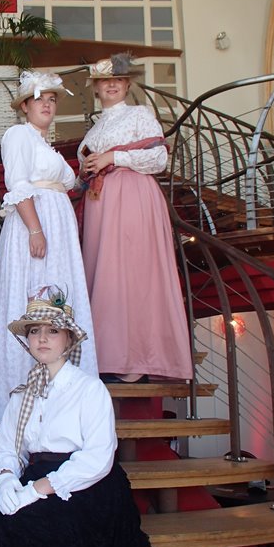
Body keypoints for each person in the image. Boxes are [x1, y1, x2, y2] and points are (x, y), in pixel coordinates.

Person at [0, 296, 156, 547]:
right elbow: (10, 449)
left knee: (34, 529)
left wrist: (35, 490)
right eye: (35, 331)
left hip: (83, 485)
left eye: (52, 330)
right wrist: (6, 479)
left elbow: (97, 458)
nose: (42, 338)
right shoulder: (23, 394)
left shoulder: (90, 389)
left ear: (68, 339)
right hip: (35, 473)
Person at [0, 71, 97, 423]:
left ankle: (61, 389)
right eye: (39, 99)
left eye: (52, 99)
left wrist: (84, 174)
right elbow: (17, 184)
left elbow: (64, 185)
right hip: (35, 225)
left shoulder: (46, 146)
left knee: (57, 299)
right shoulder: (18, 135)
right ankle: (20, 386)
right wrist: (35, 229)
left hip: (57, 231)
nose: (46, 104)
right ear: (25, 106)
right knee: (30, 296)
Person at [78, 52, 193, 383]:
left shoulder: (140, 114)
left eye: (118, 79)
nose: (111, 85)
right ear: (95, 88)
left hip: (132, 197)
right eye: (104, 81)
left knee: (133, 274)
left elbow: (158, 159)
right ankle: (109, 356)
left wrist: (114, 157)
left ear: (127, 84)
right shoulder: (95, 128)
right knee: (106, 277)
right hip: (100, 203)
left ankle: (138, 360)